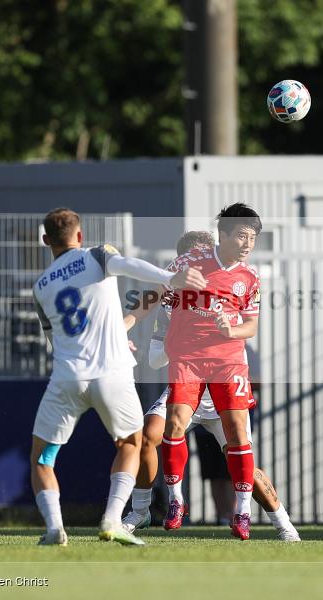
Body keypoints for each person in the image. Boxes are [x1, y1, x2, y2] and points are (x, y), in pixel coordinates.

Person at [30, 207, 206, 546]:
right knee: (129, 444)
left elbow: (56, 340)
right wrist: (169, 278)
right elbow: (130, 266)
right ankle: (112, 518)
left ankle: (54, 528)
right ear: (79, 236)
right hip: (113, 373)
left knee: (42, 459)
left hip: (68, 377)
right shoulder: (97, 255)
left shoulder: (40, 287)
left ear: (45, 240)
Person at [120, 230, 300, 542]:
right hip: (187, 382)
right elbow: (155, 358)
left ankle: (284, 523)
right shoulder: (170, 301)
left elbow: (246, 329)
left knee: (244, 461)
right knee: (148, 435)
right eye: (190, 263)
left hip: (221, 387)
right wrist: (127, 328)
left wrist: (224, 330)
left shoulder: (231, 286)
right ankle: (140, 510)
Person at [161, 204, 262, 541]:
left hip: (228, 361)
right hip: (188, 357)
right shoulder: (191, 260)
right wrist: (133, 320)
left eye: (252, 238)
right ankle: (176, 502)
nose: (248, 244)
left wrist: (230, 330)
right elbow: (160, 290)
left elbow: (251, 326)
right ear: (224, 235)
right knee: (173, 422)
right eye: (242, 236)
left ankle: (243, 511)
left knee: (237, 433)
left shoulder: (250, 278)